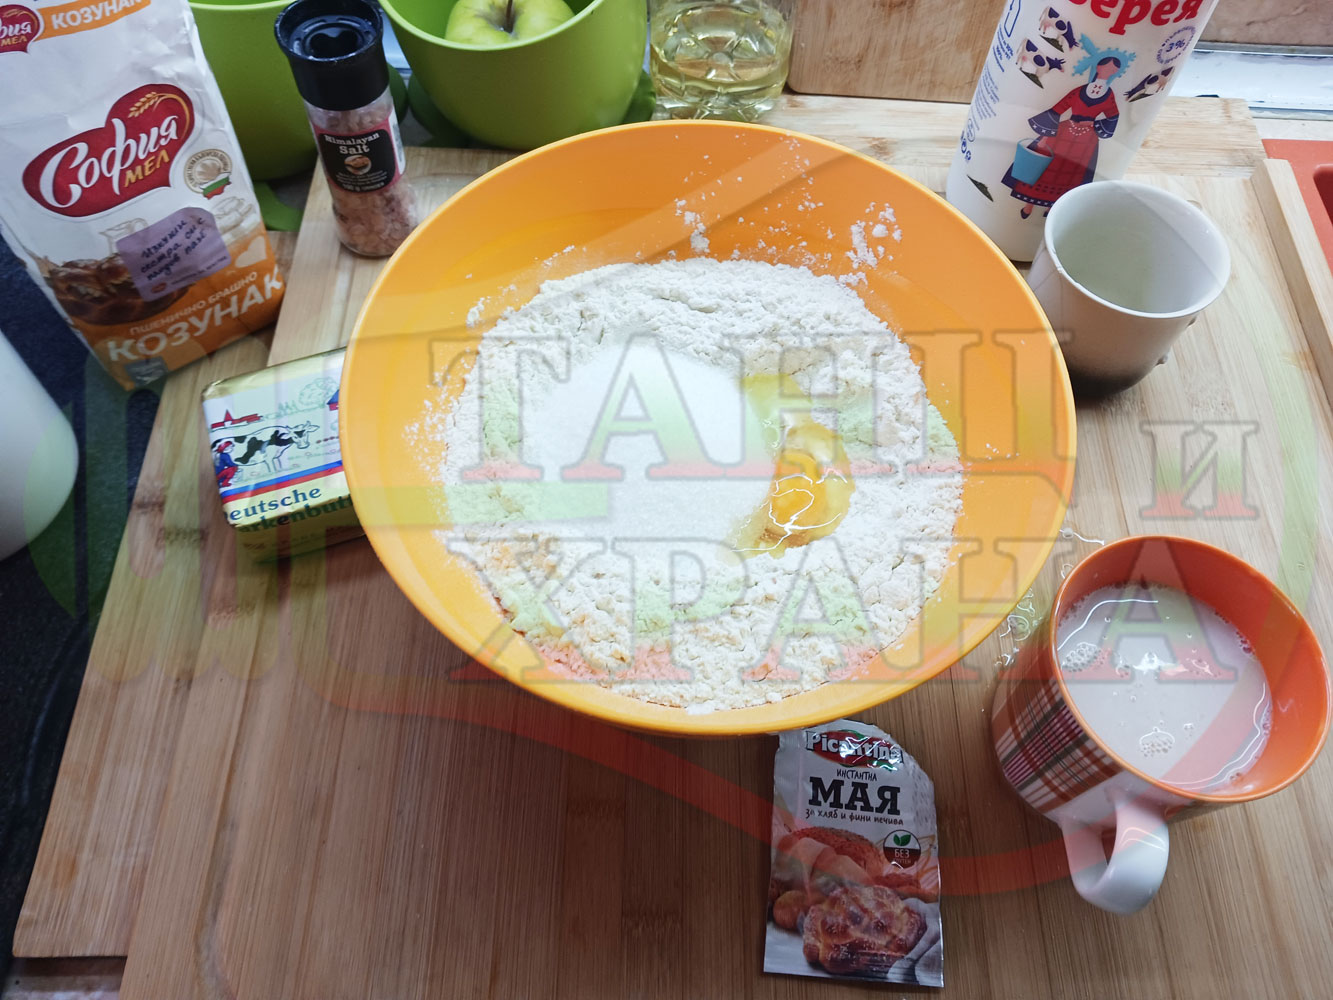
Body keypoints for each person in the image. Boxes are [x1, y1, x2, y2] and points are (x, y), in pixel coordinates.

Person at [1003, 38, 1135, 219]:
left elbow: (1113, 116)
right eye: (1108, 68)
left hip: (1086, 140)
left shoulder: (1108, 94)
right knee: (1043, 168)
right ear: (1098, 68)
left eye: (1114, 70)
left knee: (1070, 175)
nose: (1110, 72)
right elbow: (1059, 108)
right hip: (1064, 132)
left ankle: (1052, 207)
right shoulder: (1081, 90)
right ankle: (1029, 206)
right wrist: (1044, 137)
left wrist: (1094, 124)